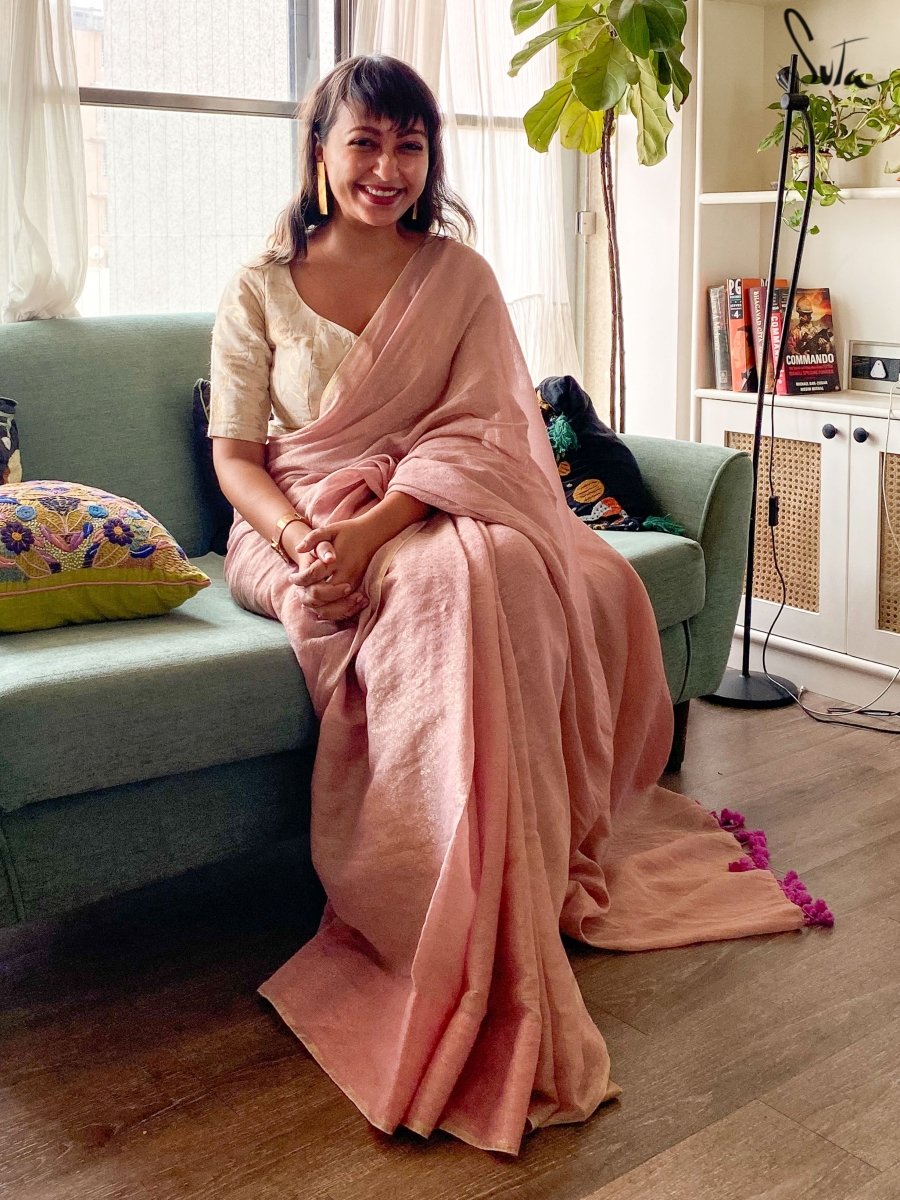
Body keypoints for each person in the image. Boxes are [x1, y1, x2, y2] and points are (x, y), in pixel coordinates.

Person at [210, 55, 809, 1156]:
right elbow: (238, 458)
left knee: (512, 573)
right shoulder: (258, 285)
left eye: (410, 145)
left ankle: (505, 879)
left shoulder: (458, 275)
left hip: (427, 504)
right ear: (319, 150)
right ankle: (427, 905)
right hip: (293, 517)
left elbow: (486, 432)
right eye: (364, 142)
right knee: (466, 580)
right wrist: (307, 540)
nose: (388, 168)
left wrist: (378, 526)